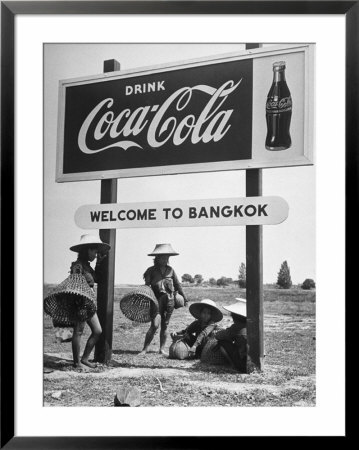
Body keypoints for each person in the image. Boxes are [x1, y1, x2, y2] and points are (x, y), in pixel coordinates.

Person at [45, 234, 110, 370]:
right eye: (94, 251)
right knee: (78, 332)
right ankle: (77, 363)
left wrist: (99, 262)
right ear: (87, 250)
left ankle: (85, 358)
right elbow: (73, 284)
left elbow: (96, 278)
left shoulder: (87, 266)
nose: (95, 254)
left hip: (89, 303)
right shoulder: (78, 266)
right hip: (80, 303)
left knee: (97, 330)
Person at [139, 243, 188, 356]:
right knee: (155, 325)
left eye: (167, 257)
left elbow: (177, 284)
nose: (165, 259)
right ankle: (144, 349)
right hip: (155, 300)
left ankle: (161, 349)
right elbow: (147, 286)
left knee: (165, 325)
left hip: (169, 300)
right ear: (157, 258)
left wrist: (184, 298)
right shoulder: (150, 271)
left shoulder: (171, 270)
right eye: (163, 257)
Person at [214, 298, 248, 372]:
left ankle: (234, 365)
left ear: (235, 316)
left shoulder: (236, 327)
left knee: (222, 343)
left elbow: (218, 336)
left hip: (243, 365)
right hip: (254, 362)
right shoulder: (252, 326)